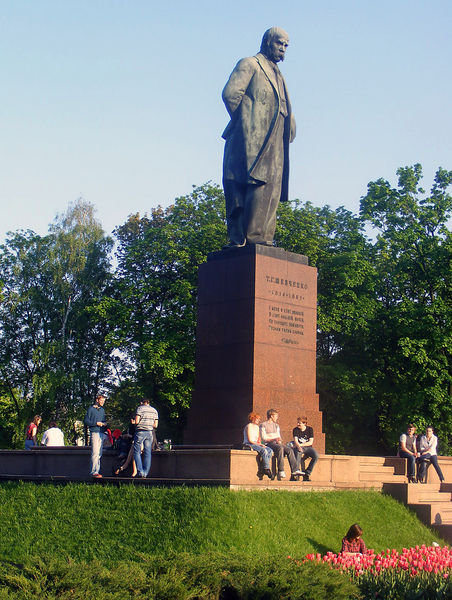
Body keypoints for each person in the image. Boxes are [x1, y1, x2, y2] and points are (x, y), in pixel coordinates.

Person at [221, 27, 296, 248]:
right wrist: (249, 126)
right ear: (267, 42)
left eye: (286, 46)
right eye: (279, 43)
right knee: (254, 185)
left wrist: (290, 123)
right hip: (251, 142)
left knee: (271, 189)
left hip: (275, 143)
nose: (282, 49)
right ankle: (250, 239)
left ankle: (264, 238)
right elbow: (230, 94)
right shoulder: (250, 64)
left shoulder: (279, 75)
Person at [260, 408, 301, 481]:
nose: (277, 418)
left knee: (289, 449)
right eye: (276, 416)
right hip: (268, 444)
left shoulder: (276, 426)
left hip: (276, 443)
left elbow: (278, 436)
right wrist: (274, 439)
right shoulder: (263, 425)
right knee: (280, 448)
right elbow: (264, 438)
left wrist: (279, 441)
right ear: (271, 416)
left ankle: (295, 470)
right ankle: (281, 470)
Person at [243, 412, 274, 480]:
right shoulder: (249, 426)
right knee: (263, 451)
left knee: (270, 450)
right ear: (253, 418)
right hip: (249, 444)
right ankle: (266, 468)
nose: (259, 420)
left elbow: (259, 439)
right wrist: (259, 445)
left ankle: (264, 467)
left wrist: (262, 444)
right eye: (257, 419)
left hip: (257, 444)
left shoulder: (257, 427)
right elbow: (250, 439)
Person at [133, 399, 158, 478]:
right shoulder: (154, 410)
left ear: (141, 402)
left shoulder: (140, 409)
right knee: (148, 452)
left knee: (137, 451)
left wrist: (133, 421)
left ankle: (140, 471)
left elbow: (137, 421)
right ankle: (145, 473)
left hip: (140, 431)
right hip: (149, 432)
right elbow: (155, 425)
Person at [84, 395, 107, 478]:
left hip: (101, 433)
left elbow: (104, 420)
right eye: (101, 401)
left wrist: (104, 424)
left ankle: (97, 470)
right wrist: (96, 423)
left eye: (103, 401)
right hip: (94, 432)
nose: (102, 402)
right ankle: (94, 471)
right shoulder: (91, 409)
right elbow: (86, 421)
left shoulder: (102, 410)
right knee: (95, 452)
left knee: (99, 453)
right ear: (97, 400)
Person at [292, 416, 319, 482]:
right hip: (299, 447)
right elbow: (295, 440)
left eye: (299, 423)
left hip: (308, 447)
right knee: (298, 452)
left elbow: (310, 442)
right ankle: (296, 473)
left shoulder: (310, 429)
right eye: (297, 423)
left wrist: (300, 445)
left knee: (316, 456)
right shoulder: (295, 429)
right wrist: (298, 446)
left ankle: (307, 473)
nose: (298, 424)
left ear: (304, 424)